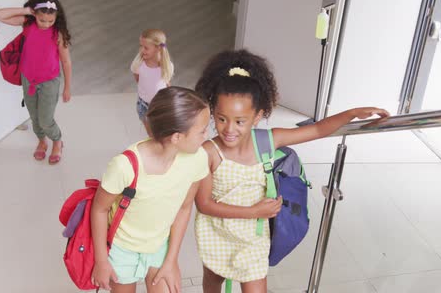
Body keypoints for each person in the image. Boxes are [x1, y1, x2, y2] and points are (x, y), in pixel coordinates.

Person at [194, 49, 390, 292]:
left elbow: (317, 130)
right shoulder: (209, 152)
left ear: (258, 116)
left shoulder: (268, 141)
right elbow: (204, 204)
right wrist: (253, 210)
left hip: (254, 238)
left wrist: (350, 114)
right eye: (221, 118)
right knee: (213, 282)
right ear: (212, 111)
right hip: (217, 233)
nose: (229, 129)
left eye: (239, 121)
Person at [91, 87, 210, 293]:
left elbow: (184, 208)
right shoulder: (125, 166)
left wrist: (171, 260)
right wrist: (102, 261)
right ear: (176, 137)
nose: (206, 135)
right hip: (122, 249)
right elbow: (99, 209)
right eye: (202, 130)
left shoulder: (197, 159)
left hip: (160, 247)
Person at [0, 0, 72, 164]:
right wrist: (25, 11)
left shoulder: (58, 34)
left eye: (50, 21)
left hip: (49, 83)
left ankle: (57, 140)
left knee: (45, 119)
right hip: (28, 80)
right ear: (34, 15)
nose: (46, 24)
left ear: (56, 18)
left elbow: (66, 62)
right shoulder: (28, 24)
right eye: (42, 20)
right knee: (35, 117)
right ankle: (42, 142)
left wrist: (67, 87)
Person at [130, 29, 174, 134]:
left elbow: (167, 83)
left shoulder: (167, 66)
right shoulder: (138, 64)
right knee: (151, 134)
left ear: (158, 48)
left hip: (160, 106)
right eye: (140, 46)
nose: (141, 50)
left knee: (161, 131)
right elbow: (138, 79)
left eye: (146, 48)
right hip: (143, 105)